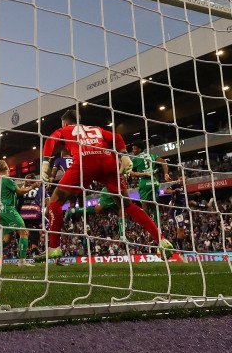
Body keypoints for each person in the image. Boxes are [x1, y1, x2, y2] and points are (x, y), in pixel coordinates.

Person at [36, 110, 172, 262]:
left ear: (65, 123)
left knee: (55, 201)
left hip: (85, 162)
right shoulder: (96, 129)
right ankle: (161, 240)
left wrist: (46, 161)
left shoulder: (65, 129)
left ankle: (54, 247)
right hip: (108, 162)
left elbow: (49, 140)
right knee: (127, 204)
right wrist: (124, 155)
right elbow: (117, 137)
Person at [0, 160, 39, 266]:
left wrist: (24, 185)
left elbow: (13, 192)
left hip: (1, 211)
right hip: (9, 209)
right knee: (24, 232)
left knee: (6, 238)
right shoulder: (7, 179)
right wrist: (32, 187)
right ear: (7, 168)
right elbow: (19, 192)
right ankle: (22, 261)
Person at [130, 141, 170, 230]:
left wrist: (142, 174)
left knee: (144, 206)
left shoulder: (135, 158)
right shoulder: (151, 156)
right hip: (154, 182)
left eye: (134, 148)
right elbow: (164, 161)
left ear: (139, 149)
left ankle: (148, 227)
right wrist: (166, 174)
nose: (133, 150)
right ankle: (159, 226)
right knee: (155, 204)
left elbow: (131, 172)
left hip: (144, 183)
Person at [18, 174, 44, 254]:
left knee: (24, 233)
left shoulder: (21, 189)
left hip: (22, 214)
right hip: (35, 213)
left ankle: (23, 251)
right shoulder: (40, 189)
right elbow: (47, 201)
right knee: (37, 230)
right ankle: (34, 248)